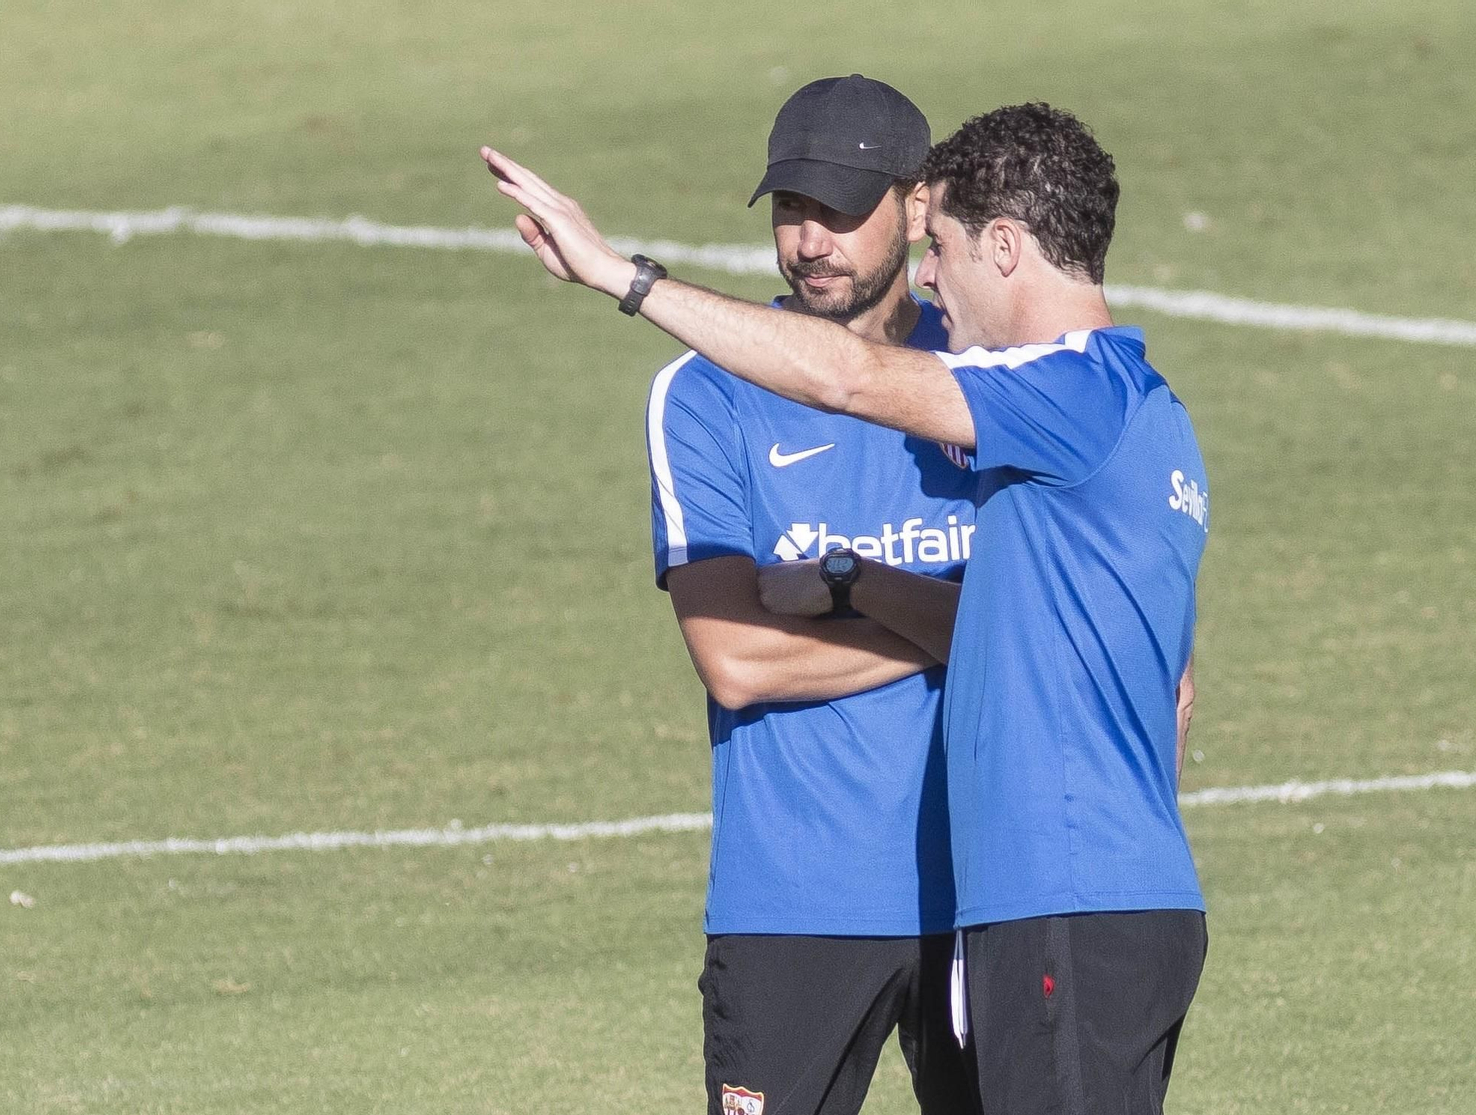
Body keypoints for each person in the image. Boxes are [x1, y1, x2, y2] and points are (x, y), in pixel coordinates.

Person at [482, 100, 1208, 1115]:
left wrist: (621, 276)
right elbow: (1168, 693)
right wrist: (871, 588)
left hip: (1060, 899)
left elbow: (853, 378)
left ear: (994, 242)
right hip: (1093, 896)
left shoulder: (1056, 397)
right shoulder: (1148, 410)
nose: (926, 274)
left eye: (940, 247)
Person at [647, 75, 980, 1115]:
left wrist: (849, 591)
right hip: (793, 906)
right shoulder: (704, 392)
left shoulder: (987, 372)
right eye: (792, 213)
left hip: (989, 889)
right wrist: (960, 628)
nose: (810, 243)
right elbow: (738, 661)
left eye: (839, 212)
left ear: (916, 205)